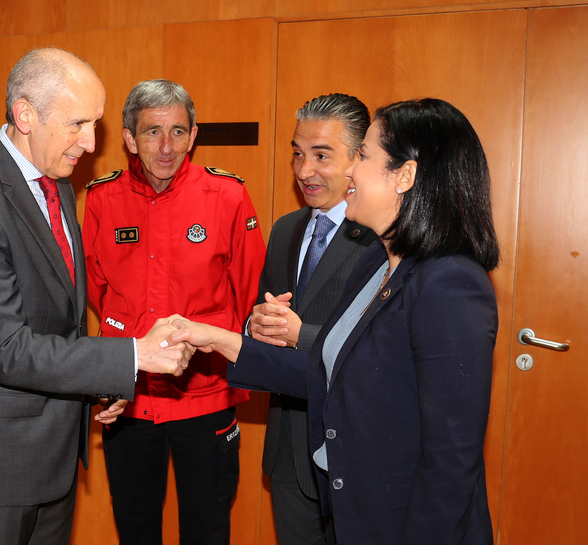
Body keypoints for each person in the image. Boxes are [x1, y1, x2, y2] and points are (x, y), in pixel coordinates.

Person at [165, 98, 500, 545]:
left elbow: (451, 461)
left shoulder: (451, 283)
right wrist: (219, 339)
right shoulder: (377, 267)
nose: (350, 172)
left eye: (363, 156)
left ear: (406, 175)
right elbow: (332, 373)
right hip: (355, 507)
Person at [0, 48, 192, 545]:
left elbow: (57, 323)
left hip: (56, 453)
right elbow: (6, 350)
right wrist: (133, 355)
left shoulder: (56, 184)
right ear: (25, 115)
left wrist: (97, 386)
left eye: (96, 123)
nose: (91, 143)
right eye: (77, 124)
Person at [83, 79, 266, 544]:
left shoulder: (227, 196)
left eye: (178, 132)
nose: (167, 147)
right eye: (152, 132)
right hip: (130, 399)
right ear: (129, 137)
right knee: (135, 525)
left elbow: (251, 293)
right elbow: (95, 290)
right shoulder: (102, 199)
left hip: (205, 398)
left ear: (194, 134)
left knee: (207, 529)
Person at [246, 93, 377, 545]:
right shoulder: (285, 229)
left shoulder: (382, 236)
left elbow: (385, 344)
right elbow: (264, 316)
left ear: (359, 159)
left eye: (322, 155)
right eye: (298, 154)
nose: (304, 171)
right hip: (287, 449)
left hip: (352, 451)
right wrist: (255, 324)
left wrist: (303, 335)